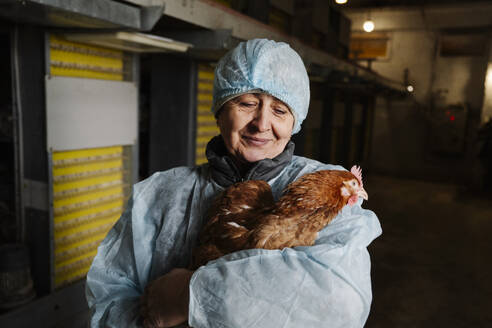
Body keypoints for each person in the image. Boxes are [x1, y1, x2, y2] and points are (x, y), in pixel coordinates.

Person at [86, 38, 382, 328]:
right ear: (219, 110)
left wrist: (190, 295)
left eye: (279, 110)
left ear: (295, 122)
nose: (262, 123)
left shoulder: (331, 190)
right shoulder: (161, 193)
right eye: (247, 103)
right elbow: (112, 291)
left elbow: (339, 301)